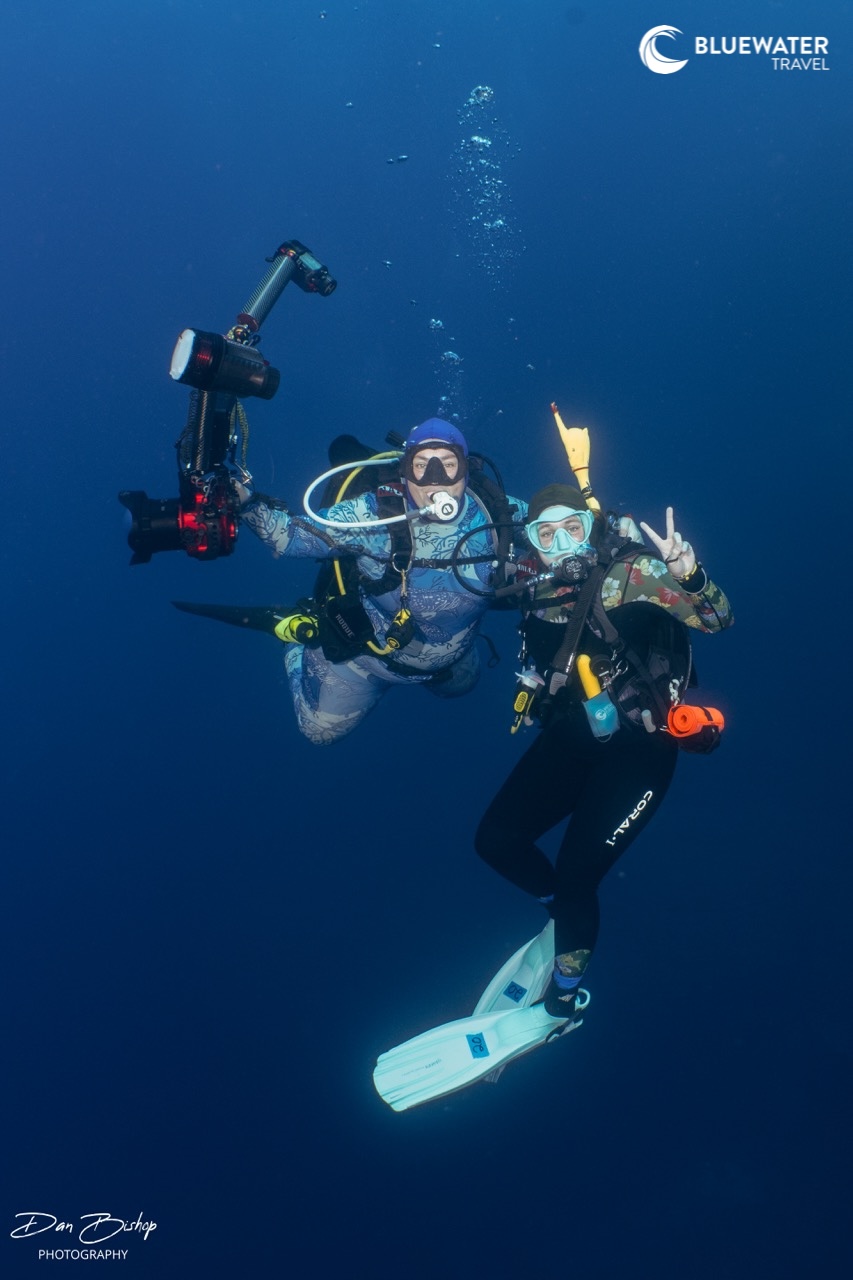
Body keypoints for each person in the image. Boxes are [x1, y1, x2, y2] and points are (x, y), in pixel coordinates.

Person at [474, 480, 733, 1024]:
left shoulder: (627, 575)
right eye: (547, 534)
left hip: (641, 750)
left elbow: (716, 619)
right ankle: (558, 912)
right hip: (571, 736)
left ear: (590, 530)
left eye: (573, 528)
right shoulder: (531, 581)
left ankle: (563, 1002)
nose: (562, 544)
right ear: (533, 543)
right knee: (495, 840)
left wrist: (689, 574)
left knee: (576, 876)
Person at [234, 419, 527, 745]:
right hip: (366, 662)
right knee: (318, 732)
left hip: (454, 654)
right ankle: (296, 637)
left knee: (463, 685)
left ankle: (438, 670)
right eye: (420, 466)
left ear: (466, 470)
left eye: (447, 464)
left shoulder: (492, 510)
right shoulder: (372, 515)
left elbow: (552, 527)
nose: (435, 480)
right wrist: (245, 502)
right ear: (404, 471)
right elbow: (289, 537)